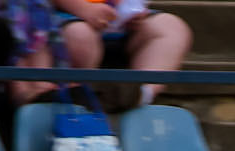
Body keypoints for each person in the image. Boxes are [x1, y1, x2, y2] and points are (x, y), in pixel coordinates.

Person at [56, 0, 192, 108]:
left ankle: (140, 94)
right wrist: (82, 8)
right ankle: (79, 95)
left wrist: (134, 11)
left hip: (123, 30)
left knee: (171, 27)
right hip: (70, 18)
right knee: (79, 35)